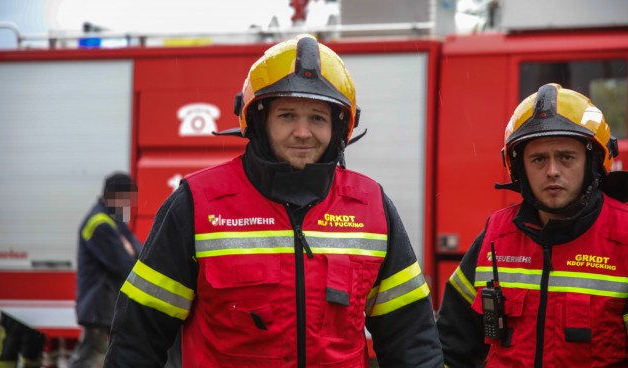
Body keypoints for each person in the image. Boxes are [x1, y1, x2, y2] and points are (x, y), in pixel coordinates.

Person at [104, 34, 443, 367]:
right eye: (287, 115)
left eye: (317, 117)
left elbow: (412, 341)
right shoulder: (198, 203)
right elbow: (138, 337)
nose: (302, 132)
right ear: (258, 120)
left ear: (340, 127)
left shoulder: (371, 207)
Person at [436, 83, 628, 367]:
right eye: (538, 159)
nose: (552, 171)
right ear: (519, 168)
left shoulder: (623, 236)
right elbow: (451, 343)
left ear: (593, 162)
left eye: (566, 157)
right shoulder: (496, 235)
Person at [71, 172, 142, 368]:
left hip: (106, 307)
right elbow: (124, 264)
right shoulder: (99, 223)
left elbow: (140, 252)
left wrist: (130, 250)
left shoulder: (114, 220)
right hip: (98, 307)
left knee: (103, 360)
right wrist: (128, 252)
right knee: (90, 360)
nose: (129, 202)